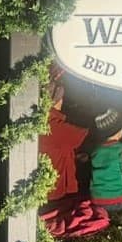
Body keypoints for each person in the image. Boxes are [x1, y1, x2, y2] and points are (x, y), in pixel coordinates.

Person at [38, 70, 88, 202]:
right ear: (56, 101)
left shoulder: (38, 123)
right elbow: (84, 136)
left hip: (45, 191)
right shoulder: (54, 126)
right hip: (56, 194)